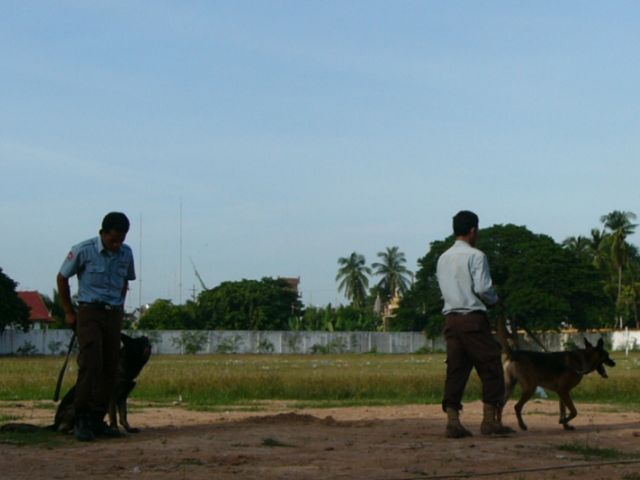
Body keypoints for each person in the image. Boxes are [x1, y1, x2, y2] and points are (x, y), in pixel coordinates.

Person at [57, 212, 136, 441]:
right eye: (113, 239)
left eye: (121, 239)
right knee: (91, 363)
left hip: (113, 315)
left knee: (110, 367)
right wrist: (69, 312)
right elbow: (62, 278)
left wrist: (120, 307)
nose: (117, 244)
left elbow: (125, 281)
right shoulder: (83, 250)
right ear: (103, 232)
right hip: (89, 312)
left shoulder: (127, 253)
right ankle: (81, 418)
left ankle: (96, 419)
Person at [436, 210, 514, 438]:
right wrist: (495, 300)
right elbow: (482, 289)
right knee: (491, 366)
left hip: (451, 319)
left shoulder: (443, 258)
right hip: (473, 318)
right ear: (473, 230)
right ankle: (490, 420)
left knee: (456, 370)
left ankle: (453, 420)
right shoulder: (476, 256)